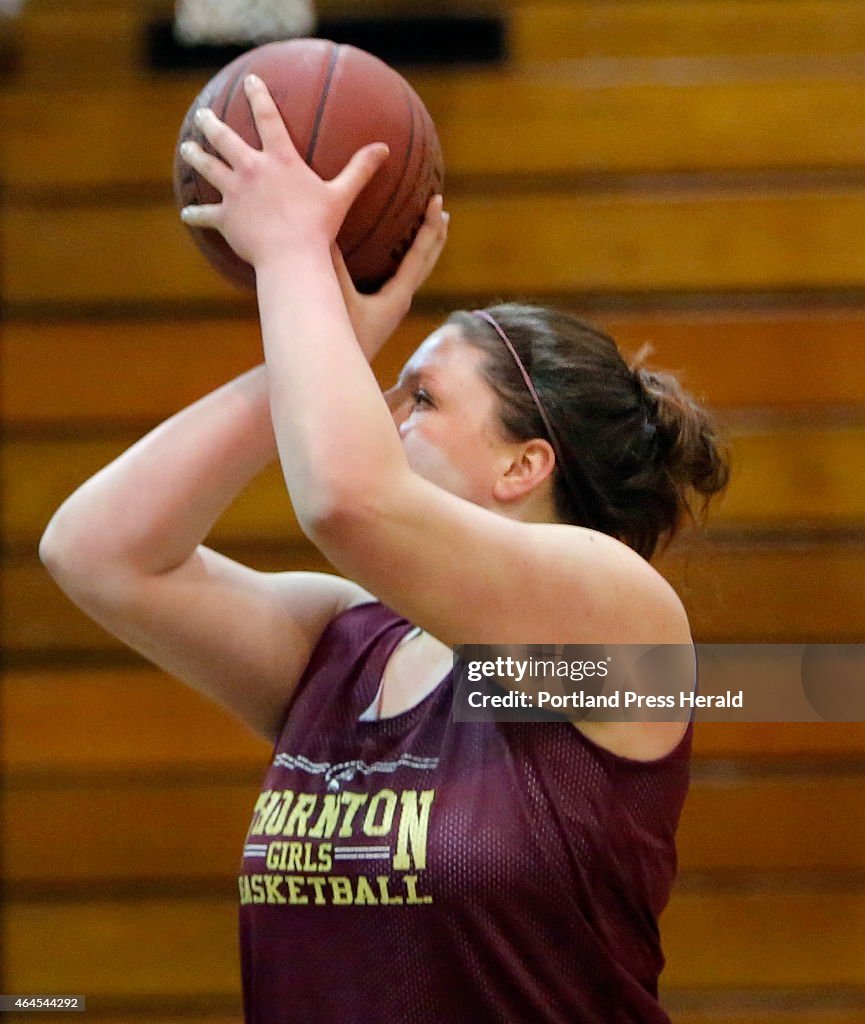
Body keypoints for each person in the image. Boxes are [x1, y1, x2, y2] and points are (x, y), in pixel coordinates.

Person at [40, 76, 729, 1023]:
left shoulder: (612, 611)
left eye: (422, 399)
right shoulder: (344, 642)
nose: (380, 410)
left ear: (525, 464)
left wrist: (290, 252)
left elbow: (347, 501)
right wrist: (314, 344)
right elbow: (98, 551)